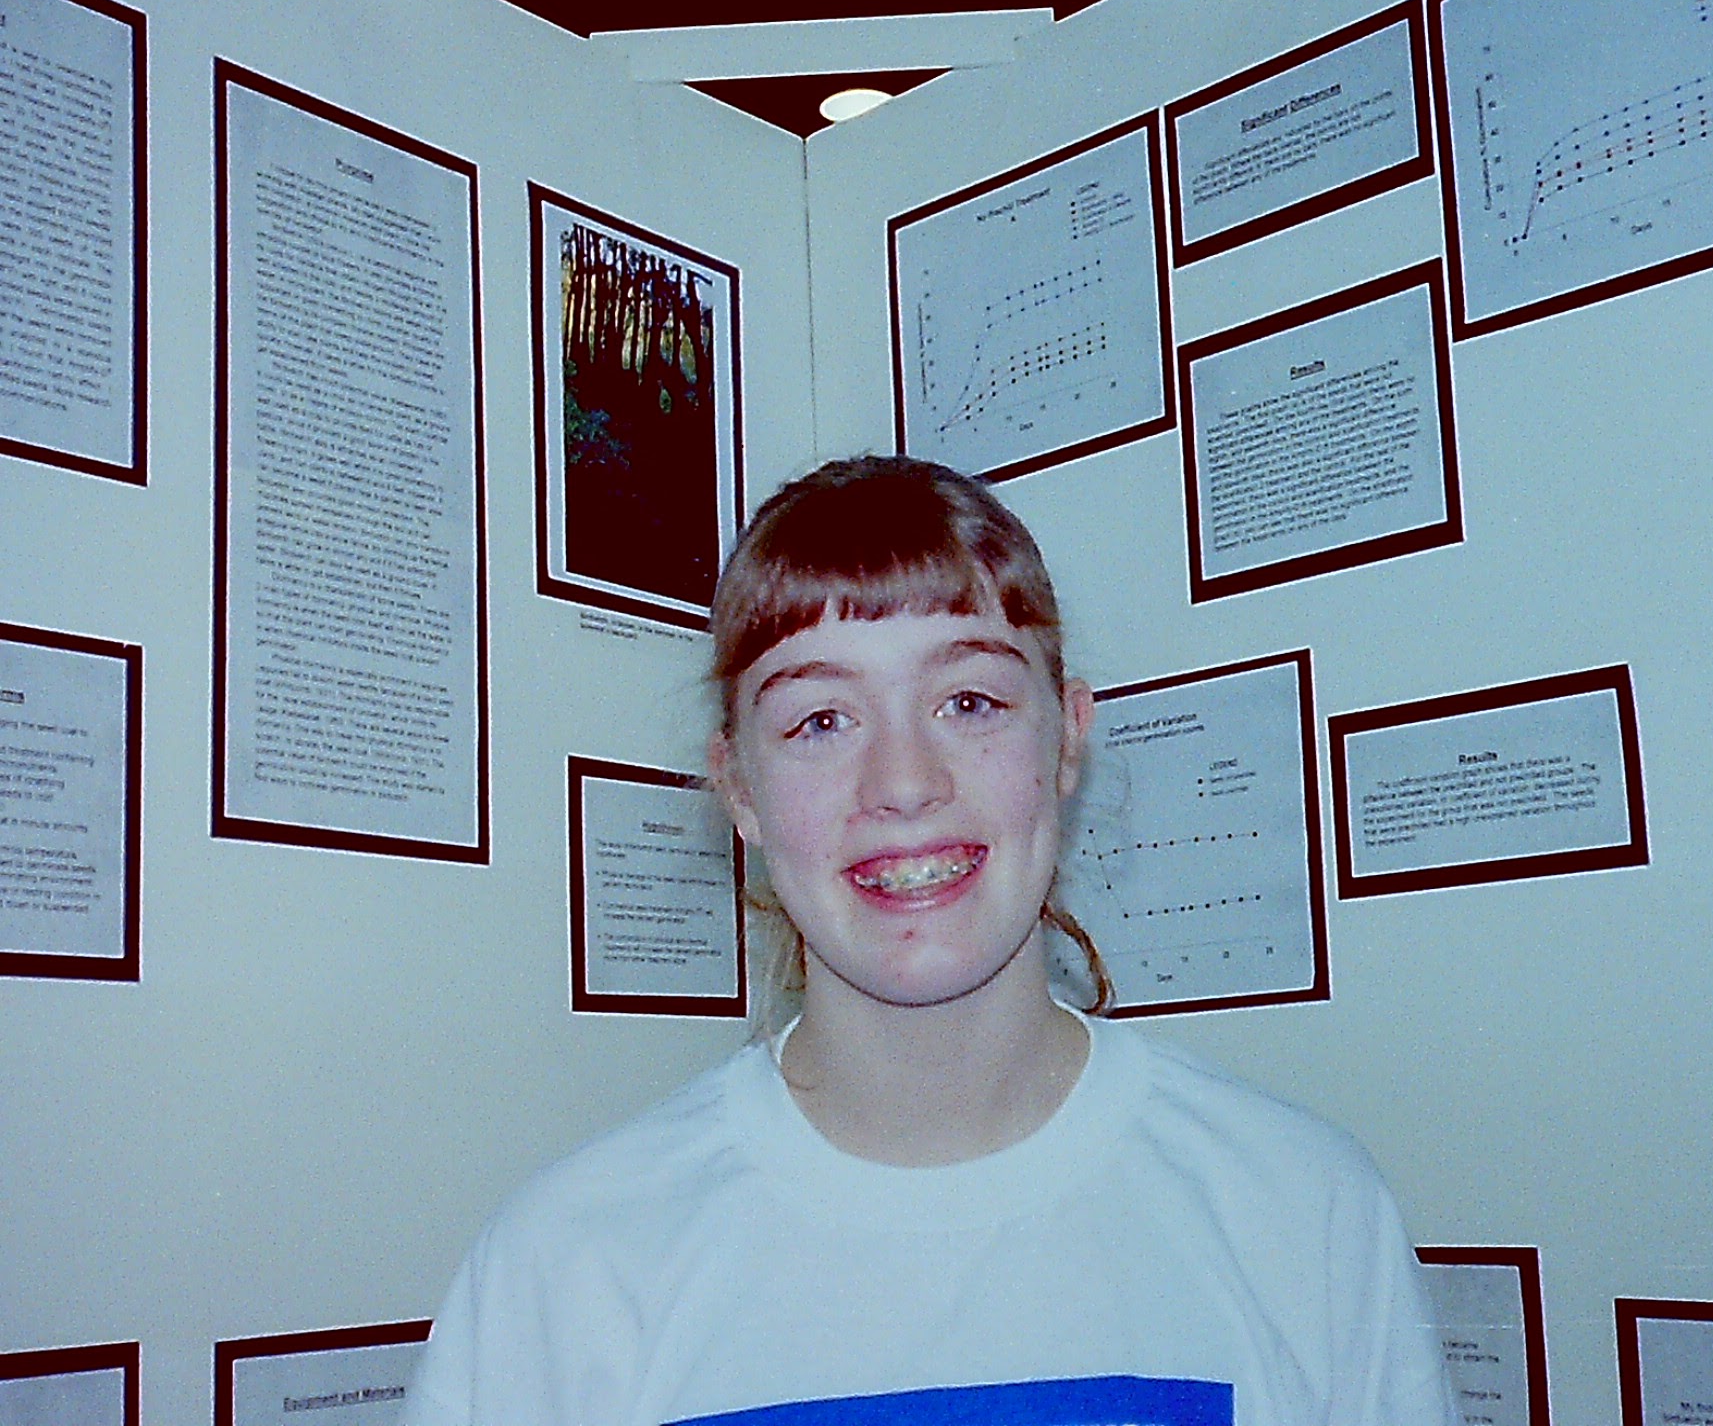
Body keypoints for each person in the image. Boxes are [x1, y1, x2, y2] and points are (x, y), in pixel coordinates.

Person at [403, 456, 1459, 1426]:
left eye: (969, 699)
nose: (904, 783)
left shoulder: (1302, 1211)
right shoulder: (564, 1270)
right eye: (820, 720)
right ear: (739, 787)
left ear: (1065, 740)